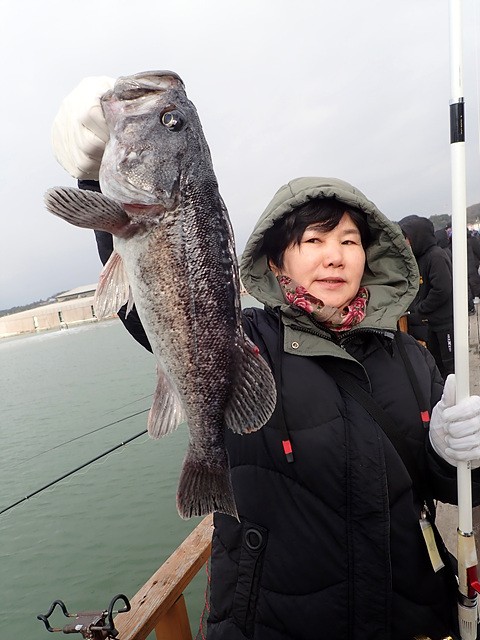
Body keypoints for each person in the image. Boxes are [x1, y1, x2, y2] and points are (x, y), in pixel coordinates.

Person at [51, 77, 480, 640]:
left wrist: (457, 457)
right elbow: (153, 313)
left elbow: (447, 489)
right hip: (273, 623)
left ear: (370, 257)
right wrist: (92, 177)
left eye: (349, 241)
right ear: (278, 264)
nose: (334, 257)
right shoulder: (246, 338)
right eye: (313, 242)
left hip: (405, 616)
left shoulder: (410, 358)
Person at [399, 215, 455, 379]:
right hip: (431, 323)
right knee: (437, 365)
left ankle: (456, 394)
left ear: (417, 236)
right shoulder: (419, 259)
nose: (406, 242)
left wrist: (420, 308)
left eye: (407, 238)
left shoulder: (436, 256)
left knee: (450, 366)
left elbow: (442, 289)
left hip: (445, 323)